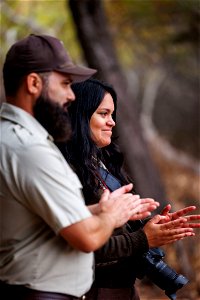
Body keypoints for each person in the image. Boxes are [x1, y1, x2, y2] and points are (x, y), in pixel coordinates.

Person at [0, 34, 161, 300]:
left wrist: (101, 209)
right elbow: (86, 238)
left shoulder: (13, 138)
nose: (71, 95)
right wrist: (113, 217)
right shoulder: (30, 150)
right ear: (33, 83)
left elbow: (38, 224)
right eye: (65, 83)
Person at [56, 78, 200, 300]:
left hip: (125, 288)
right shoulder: (64, 171)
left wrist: (151, 226)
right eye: (103, 114)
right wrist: (143, 239)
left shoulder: (103, 163)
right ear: (81, 115)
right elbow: (81, 245)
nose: (112, 122)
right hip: (93, 292)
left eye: (112, 115)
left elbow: (117, 229)